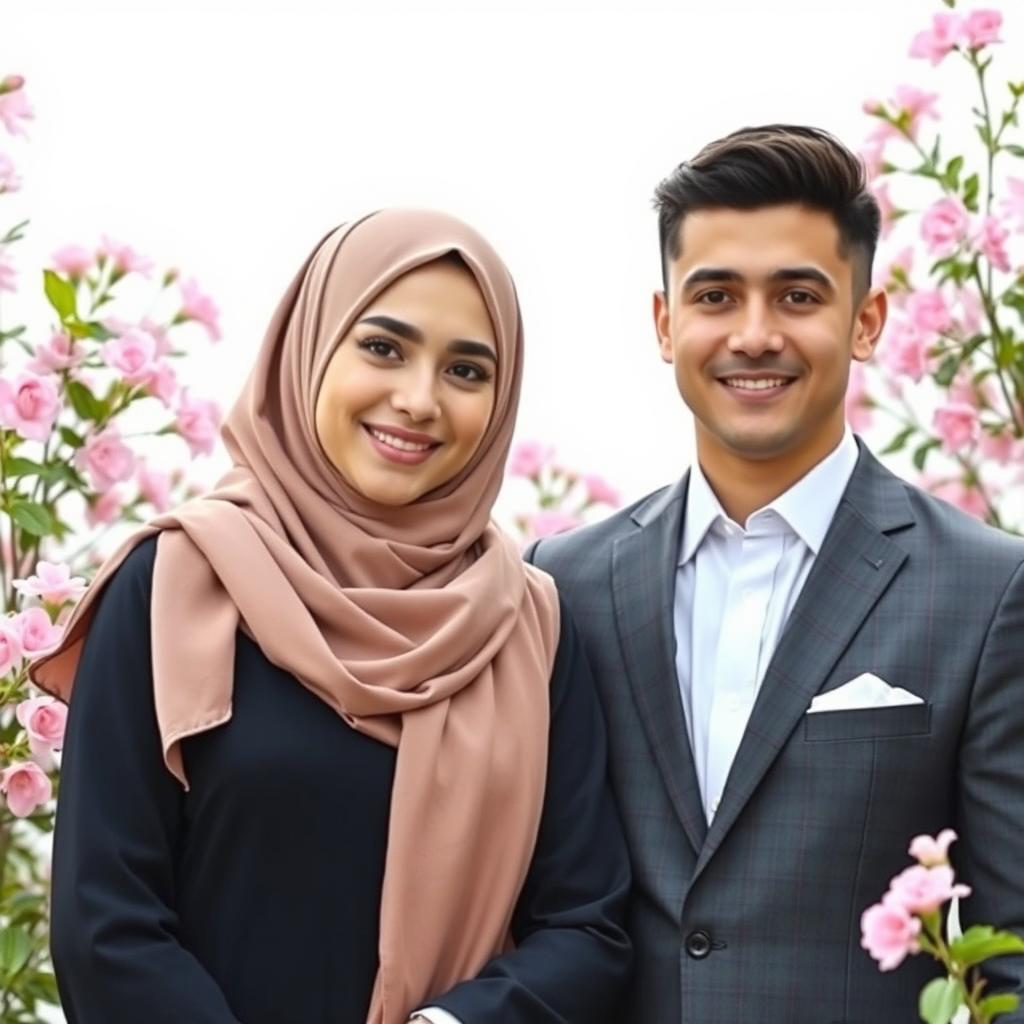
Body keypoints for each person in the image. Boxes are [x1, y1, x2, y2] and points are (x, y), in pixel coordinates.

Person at [34, 209, 631, 1024]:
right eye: (383, 348)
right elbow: (104, 921)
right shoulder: (173, 583)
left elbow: (587, 926)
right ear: (308, 347)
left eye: (465, 371)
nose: (418, 399)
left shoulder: (529, 627)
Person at [526, 125, 1024, 1022]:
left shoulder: (987, 592)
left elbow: (1011, 957)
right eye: (716, 296)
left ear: (865, 322)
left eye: (798, 296)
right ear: (665, 322)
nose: (754, 335)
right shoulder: (565, 586)